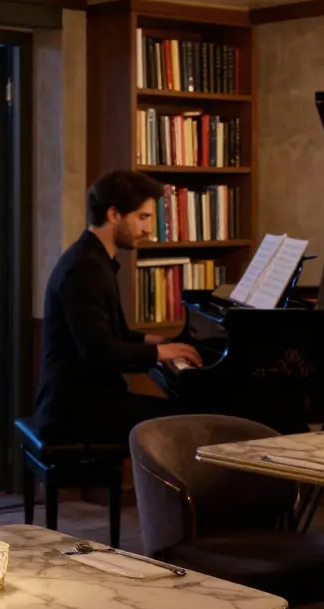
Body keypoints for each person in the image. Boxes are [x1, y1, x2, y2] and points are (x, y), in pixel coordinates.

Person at [34, 170, 202, 444]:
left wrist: (156, 341)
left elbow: (115, 334)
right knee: (189, 422)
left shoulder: (94, 259)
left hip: (86, 400)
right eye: (142, 217)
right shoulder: (85, 269)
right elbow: (99, 351)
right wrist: (161, 352)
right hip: (76, 411)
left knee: (184, 414)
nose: (148, 229)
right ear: (113, 215)